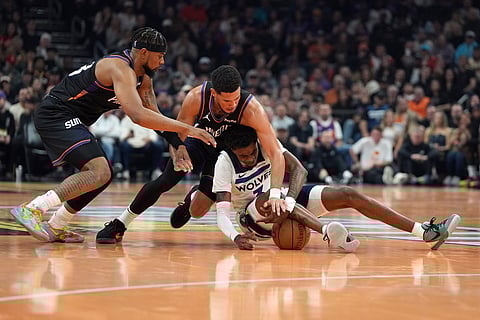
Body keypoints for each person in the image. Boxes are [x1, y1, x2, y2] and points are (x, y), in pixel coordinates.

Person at [9, 27, 216, 243]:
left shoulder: (144, 77)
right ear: (143, 52)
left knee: (102, 176)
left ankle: (56, 225)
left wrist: (177, 143)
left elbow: (153, 112)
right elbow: (137, 115)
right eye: (160, 56)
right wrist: (187, 129)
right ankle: (32, 209)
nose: (163, 62)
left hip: (72, 118)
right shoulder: (119, 68)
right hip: (56, 113)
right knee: (99, 170)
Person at [96, 65, 288, 243]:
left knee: (197, 211)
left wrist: (276, 193)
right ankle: (120, 223)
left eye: (236, 99)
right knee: (167, 179)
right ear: (214, 93)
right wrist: (178, 151)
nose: (233, 105)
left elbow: (276, 153)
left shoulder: (252, 109)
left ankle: (190, 200)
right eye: (227, 100)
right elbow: (177, 134)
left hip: (225, 155)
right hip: (199, 140)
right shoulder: (197, 97)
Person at [212, 125, 461, 251]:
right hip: (253, 215)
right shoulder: (224, 162)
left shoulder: (267, 143)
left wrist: (288, 198)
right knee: (271, 197)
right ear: (233, 152)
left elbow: (299, 170)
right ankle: (327, 232)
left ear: (257, 143)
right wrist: (235, 236)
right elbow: (222, 212)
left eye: (251, 153)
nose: (247, 159)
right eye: (242, 156)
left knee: (347, 193)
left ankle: (425, 232)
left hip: (285, 201)